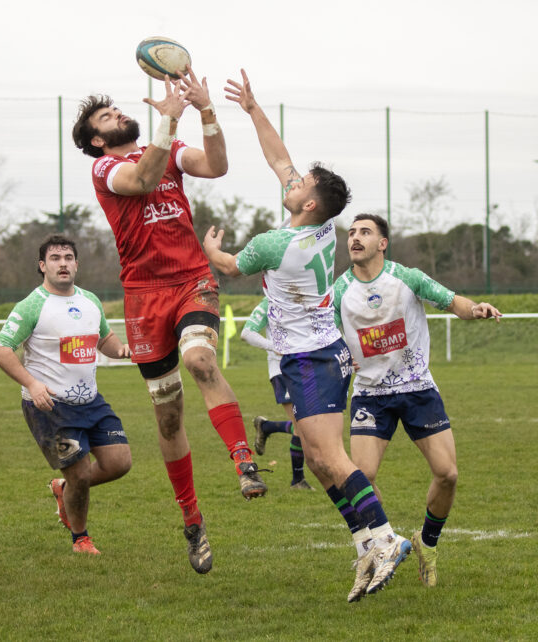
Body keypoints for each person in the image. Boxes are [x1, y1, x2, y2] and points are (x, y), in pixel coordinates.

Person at [203, 69, 410, 601]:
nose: (291, 181)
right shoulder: (318, 224)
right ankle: (365, 542)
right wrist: (251, 109)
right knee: (318, 461)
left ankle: (386, 538)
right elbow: (279, 158)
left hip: (313, 357)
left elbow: (228, 266)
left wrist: (204, 246)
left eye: (300, 183)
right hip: (313, 355)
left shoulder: (276, 243)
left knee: (329, 456)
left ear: (309, 201)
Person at [72, 67, 266, 574]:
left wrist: (204, 111)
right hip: (142, 297)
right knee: (168, 414)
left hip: (190, 279)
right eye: (106, 116)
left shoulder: (169, 145)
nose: (118, 114)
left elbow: (216, 165)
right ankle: (192, 520)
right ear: (97, 139)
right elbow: (142, 179)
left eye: (117, 108)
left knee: (202, 361)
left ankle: (244, 461)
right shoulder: (103, 171)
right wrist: (169, 123)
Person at [333, 213, 502, 588]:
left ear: (383, 243)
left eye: (365, 232)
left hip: (416, 389)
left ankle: (428, 544)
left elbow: (451, 300)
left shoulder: (407, 277)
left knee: (448, 474)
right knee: (361, 478)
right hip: (370, 396)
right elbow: (326, 343)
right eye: (352, 233)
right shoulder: (339, 292)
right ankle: (383, 542)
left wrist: (474, 309)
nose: (355, 239)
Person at [0, 236, 132, 555]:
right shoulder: (31, 305)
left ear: (77, 264)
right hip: (51, 408)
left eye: (68, 257)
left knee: (120, 462)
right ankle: (80, 539)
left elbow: (104, 338)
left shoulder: (90, 301)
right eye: (55, 258)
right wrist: (33, 383)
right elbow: (0, 350)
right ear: (43, 266)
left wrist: (120, 349)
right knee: (81, 473)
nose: (63, 263)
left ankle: (64, 489)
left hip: (91, 401)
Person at [241, 297, 314, 490]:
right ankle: (297, 481)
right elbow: (247, 333)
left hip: (306, 369)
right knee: (302, 426)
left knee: (309, 424)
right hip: (282, 372)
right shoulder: (269, 303)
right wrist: (274, 346)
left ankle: (266, 427)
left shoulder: (304, 298)